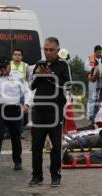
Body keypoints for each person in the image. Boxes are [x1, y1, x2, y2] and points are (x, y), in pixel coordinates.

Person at [29, 37, 70, 187]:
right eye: (45, 49)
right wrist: (39, 75)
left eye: (51, 50)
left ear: (58, 50)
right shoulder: (39, 64)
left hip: (55, 111)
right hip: (39, 110)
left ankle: (55, 176)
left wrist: (52, 76)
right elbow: (31, 86)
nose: (47, 52)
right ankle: (37, 176)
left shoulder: (63, 65)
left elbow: (68, 86)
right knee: (36, 146)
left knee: (56, 146)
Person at [0, 56, 31, 172]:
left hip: (14, 110)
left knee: (15, 137)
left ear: (9, 65)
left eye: (4, 67)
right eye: (0, 68)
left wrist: (27, 104)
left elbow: (27, 91)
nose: (2, 70)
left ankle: (17, 161)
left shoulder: (18, 76)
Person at [84, 45, 102, 122]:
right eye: (98, 52)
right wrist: (94, 69)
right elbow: (85, 67)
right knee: (91, 98)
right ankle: (90, 115)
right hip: (93, 80)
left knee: (100, 98)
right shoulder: (89, 58)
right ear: (95, 52)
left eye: (100, 52)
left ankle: (98, 115)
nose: (99, 53)